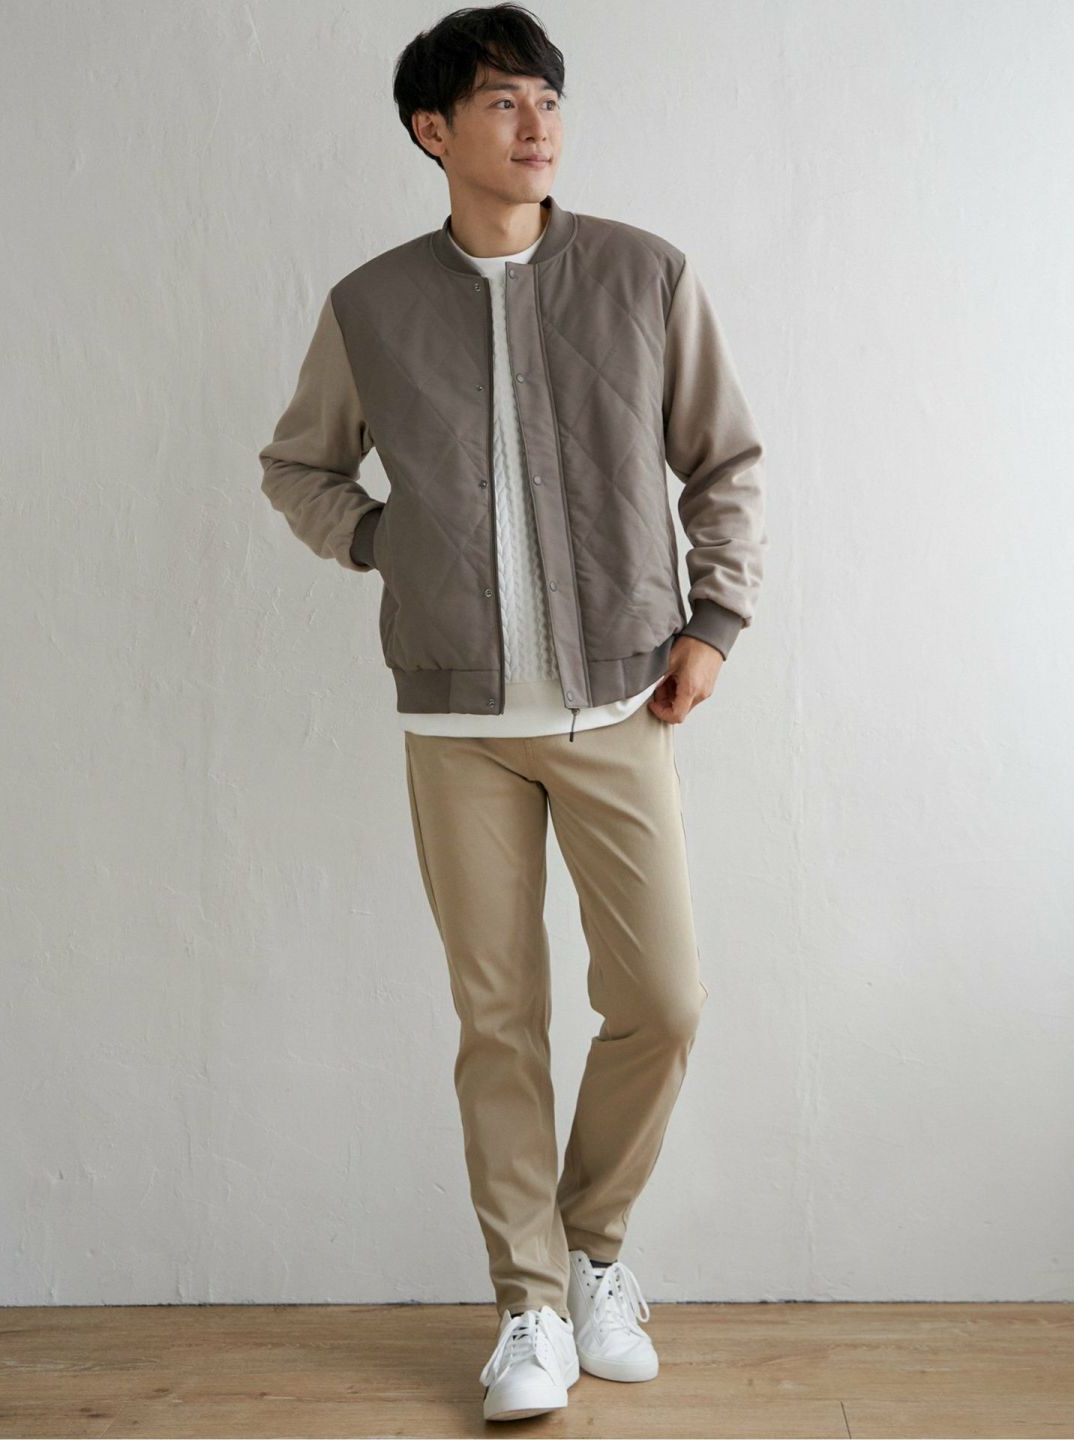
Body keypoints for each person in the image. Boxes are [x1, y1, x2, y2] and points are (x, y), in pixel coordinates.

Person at [257, 3, 767, 1421]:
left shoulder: (642, 274)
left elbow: (725, 459)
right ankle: (530, 1304)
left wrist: (715, 621)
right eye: (502, 101)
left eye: (548, 98)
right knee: (500, 1019)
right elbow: (300, 468)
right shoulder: (372, 304)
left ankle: (594, 1249)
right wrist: (389, 543)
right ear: (434, 130)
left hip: (621, 700)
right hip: (456, 724)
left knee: (662, 1001)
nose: (537, 123)